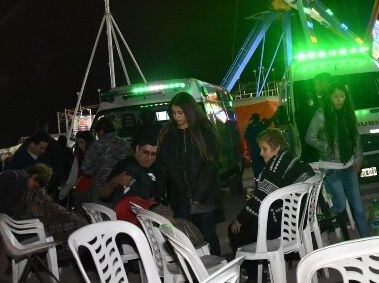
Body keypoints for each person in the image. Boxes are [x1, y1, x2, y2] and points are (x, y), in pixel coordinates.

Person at [228, 129, 313, 277]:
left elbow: (261, 199)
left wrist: (240, 218)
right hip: (295, 220)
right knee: (250, 219)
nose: (261, 153)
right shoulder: (292, 160)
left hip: (281, 225)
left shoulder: (275, 166)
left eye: (264, 148)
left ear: (277, 147)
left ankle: (254, 274)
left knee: (235, 229)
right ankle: (261, 269)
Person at [156, 92, 222, 255]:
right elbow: (163, 165)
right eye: (173, 113)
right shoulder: (169, 134)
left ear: (190, 111)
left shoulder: (204, 131)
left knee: (208, 237)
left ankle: (217, 272)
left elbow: (210, 166)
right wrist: (159, 192)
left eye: (180, 113)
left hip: (204, 198)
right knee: (187, 240)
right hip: (180, 198)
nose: (176, 117)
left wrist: (199, 195)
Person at [305, 81, 370, 237]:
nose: (339, 100)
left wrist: (359, 157)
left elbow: (356, 137)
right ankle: (324, 222)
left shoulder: (349, 112)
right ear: (329, 98)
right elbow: (309, 137)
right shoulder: (321, 114)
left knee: (359, 207)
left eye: (342, 96)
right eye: (335, 97)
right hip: (331, 168)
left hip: (348, 165)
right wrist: (327, 146)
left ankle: (368, 240)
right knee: (340, 204)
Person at [0, 164, 53, 283]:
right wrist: (29, 207)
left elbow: (12, 205)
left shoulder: (19, 179)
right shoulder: (16, 179)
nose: (34, 188)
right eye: (35, 185)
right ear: (33, 176)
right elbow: (10, 207)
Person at [99, 129, 159, 208]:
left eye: (154, 154)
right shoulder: (125, 165)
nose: (149, 158)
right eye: (145, 152)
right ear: (137, 149)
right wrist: (115, 181)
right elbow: (102, 195)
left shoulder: (158, 167)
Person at [81, 115, 131, 203]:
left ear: (101, 131)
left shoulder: (96, 145)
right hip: (121, 190)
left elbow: (86, 169)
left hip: (99, 191)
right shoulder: (125, 145)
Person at [59, 131, 95, 208]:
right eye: (78, 143)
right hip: (83, 191)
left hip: (90, 191)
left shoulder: (81, 156)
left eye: (81, 142)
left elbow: (73, 176)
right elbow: (73, 176)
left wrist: (62, 195)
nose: (79, 145)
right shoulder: (79, 156)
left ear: (88, 142)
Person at [244, 113, 269, 178]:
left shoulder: (249, 127)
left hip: (253, 149)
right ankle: (264, 178)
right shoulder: (262, 126)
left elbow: (246, 137)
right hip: (261, 149)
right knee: (263, 164)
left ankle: (257, 180)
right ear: (259, 118)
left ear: (252, 118)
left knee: (255, 166)